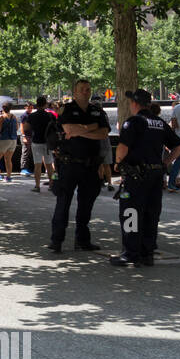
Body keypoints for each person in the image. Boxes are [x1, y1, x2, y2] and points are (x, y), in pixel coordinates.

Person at [110, 89, 180, 267]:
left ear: (134, 103)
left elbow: (123, 147)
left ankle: (130, 253)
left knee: (130, 212)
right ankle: (147, 253)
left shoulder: (134, 122)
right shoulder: (159, 122)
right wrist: (166, 163)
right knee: (151, 213)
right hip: (156, 174)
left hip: (137, 175)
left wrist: (118, 164)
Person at [49, 80, 110, 253]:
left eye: (88, 89)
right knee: (63, 203)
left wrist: (80, 130)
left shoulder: (96, 110)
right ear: (74, 92)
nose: (85, 92)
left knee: (86, 205)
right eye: (82, 89)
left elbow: (104, 133)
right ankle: (57, 240)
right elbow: (69, 130)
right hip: (69, 164)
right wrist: (92, 127)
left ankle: (82, 240)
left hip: (90, 166)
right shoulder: (67, 109)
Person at [23, 96, 56, 193]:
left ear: (37, 104)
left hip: (36, 142)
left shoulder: (32, 116)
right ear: (45, 104)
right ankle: (51, 184)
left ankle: (37, 186)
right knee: (49, 165)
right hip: (48, 143)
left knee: (37, 165)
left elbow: (25, 128)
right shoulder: (50, 116)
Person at [0, 104, 18, 181]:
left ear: (3, 109)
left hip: (4, 139)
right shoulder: (14, 116)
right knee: (8, 159)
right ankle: (8, 176)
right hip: (13, 140)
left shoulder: (1, 117)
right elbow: (17, 128)